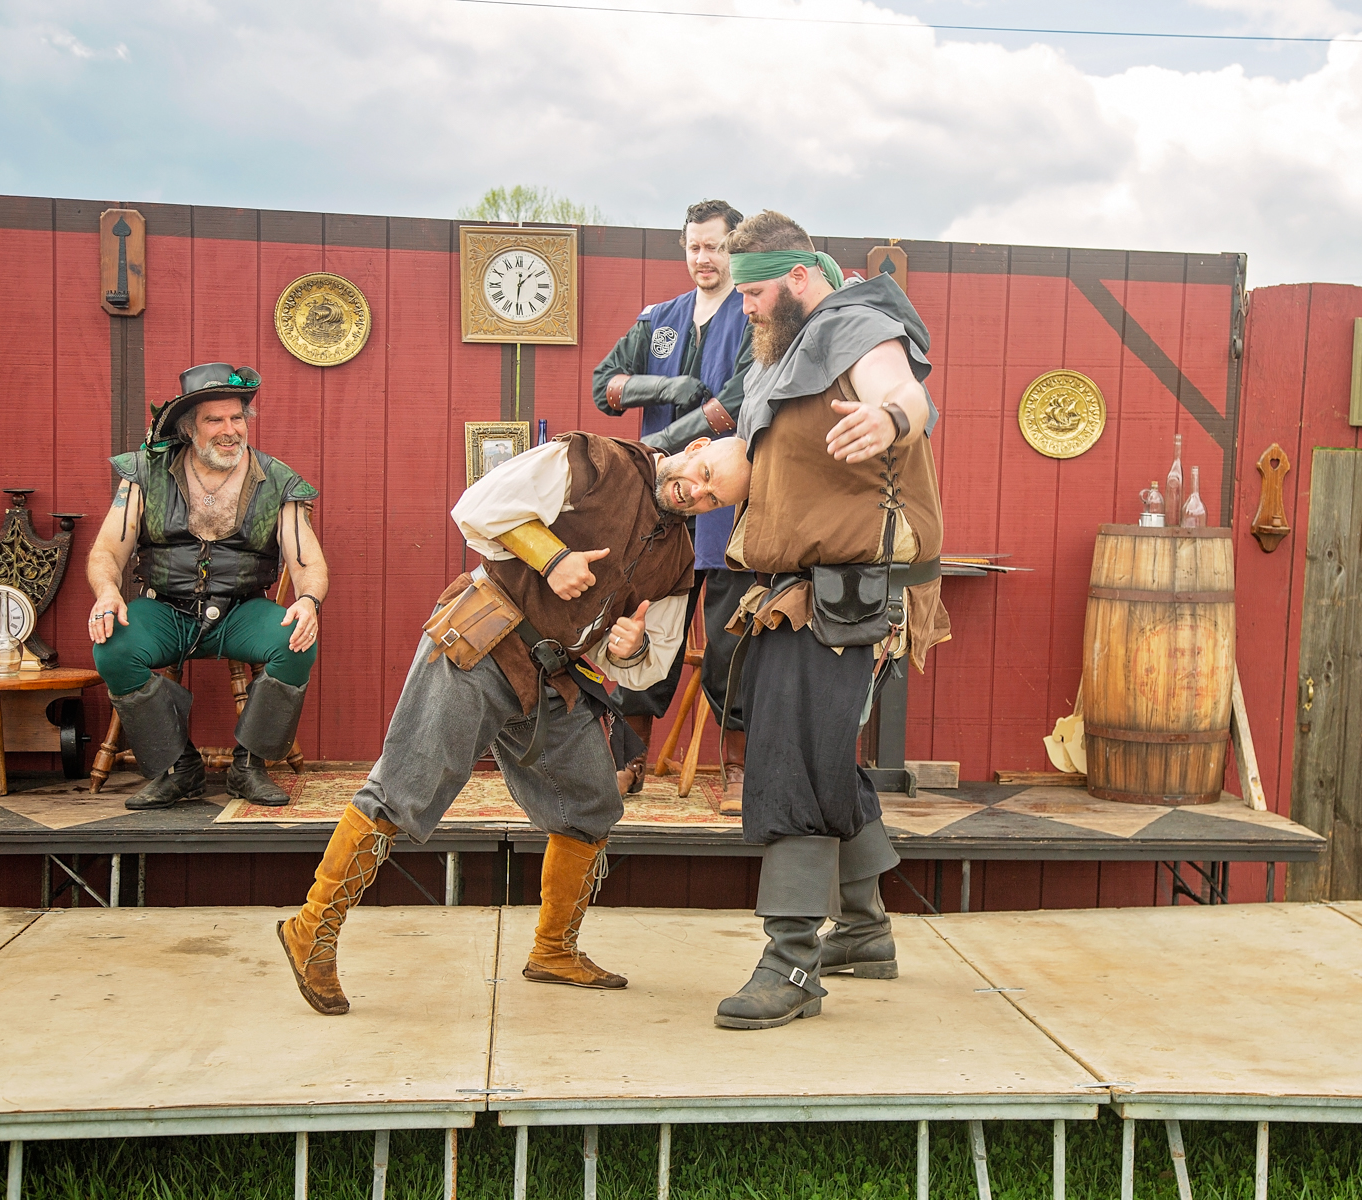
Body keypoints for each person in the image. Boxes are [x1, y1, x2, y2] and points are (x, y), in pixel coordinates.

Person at [275, 429, 750, 1016]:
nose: (697, 494)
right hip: (482, 638)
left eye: (713, 500)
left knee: (590, 803)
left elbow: (648, 661)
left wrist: (629, 648)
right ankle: (312, 929)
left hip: (552, 674)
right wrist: (552, 558)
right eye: (704, 476)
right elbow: (479, 506)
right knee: (404, 789)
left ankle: (554, 950)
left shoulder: (677, 560)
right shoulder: (595, 460)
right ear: (697, 447)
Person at [712, 210, 950, 1030]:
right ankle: (864, 931)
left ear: (798, 277)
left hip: (850, 592)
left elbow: (902, 390)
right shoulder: (779, 353)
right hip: (796, 587)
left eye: (754, 291)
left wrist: (890, 418)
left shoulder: (855, 325)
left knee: (791, 760)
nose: (744, 305)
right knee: (819, 755)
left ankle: (792, 961)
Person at [85, 363, 327, 810]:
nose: (230, 430)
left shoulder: (277, 480)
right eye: (215, 420)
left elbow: (308, 561)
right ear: (189, 428)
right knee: (113, 647)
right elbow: (106, 552)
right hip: (164, 609)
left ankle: (248, 766)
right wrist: (107, 592)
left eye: (237, 418)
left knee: (295, 642)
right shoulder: (144, 473)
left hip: (241, 611)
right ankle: (180, 767)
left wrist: (308, 600)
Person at [593, 199, 757, 808]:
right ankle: (627, 760)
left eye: (715, 246)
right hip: (660, 509)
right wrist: (665, 385)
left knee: (729, 643)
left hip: (724, 502)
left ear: (735, 247)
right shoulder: (659, 318)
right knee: (641, 624)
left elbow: (734, 404)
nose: (703, 258)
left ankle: (736, 768)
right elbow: (605, 386)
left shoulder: (754, 314)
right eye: (694, 246)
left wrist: (653, 448)